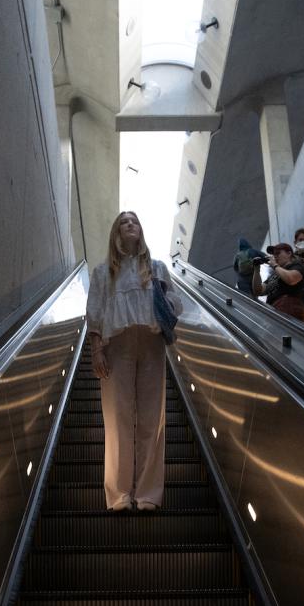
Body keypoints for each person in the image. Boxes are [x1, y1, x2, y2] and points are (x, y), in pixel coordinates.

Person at [85, 211, 182, 512]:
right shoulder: (103, 273)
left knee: (153, 418)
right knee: (117, 418)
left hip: (151, 342)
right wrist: (96, 349)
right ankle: (119, 494)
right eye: (124, 221)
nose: (130, 224)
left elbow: (177, 305)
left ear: (141, 231)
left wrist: (164, 298)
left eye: (135, 221)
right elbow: (95, 314)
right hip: (117, 345)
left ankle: (149, 494)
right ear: (116, 232)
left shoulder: (157, 268)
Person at [253, 243, 304, 323]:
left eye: (278, 253)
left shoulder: (296, 266)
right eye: (273, 254)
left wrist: (275, 265)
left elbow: (291, 279)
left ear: (289, 253)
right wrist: (256, 270)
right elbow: (258, 291)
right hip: (274, 309)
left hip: (290, 307)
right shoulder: (275, 274)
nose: (275, 256)